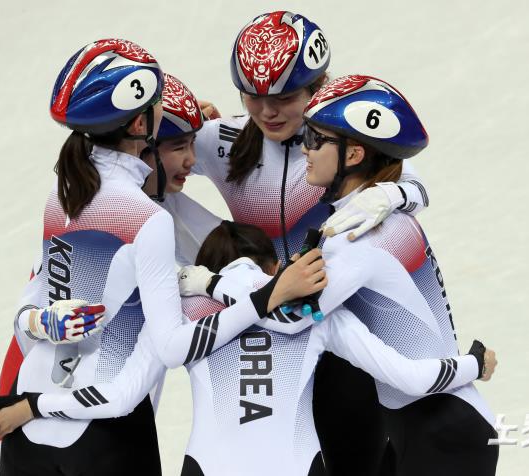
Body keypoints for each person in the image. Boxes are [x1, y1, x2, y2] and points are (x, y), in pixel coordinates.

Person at [0, 41, 327, 476]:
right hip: (99, 420)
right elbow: (171, 344)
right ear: (142, 128)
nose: (192, 157)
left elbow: (31, 318)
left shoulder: (64, 195)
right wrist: (271, 292)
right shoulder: (147, 219)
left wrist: (37, 337)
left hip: (32, 416)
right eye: (178, 142)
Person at [173, 11, 433, 475]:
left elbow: (413, 182)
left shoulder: (348, 140)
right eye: (252, 97)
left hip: (341, 335)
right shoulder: (222, 141)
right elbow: (143, 158)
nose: (268, 111)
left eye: (285, 97)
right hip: (272, 333)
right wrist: (177, 119)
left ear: (319, 87)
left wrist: (393, 193)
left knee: (359, 462)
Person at [177, 221, 495, 476]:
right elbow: (411, 378)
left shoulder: (183, 308)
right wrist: (474, 364)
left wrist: (203, 285)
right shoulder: (316, 314)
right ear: (275, 268)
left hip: (206, 466)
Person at [299, 74, 499, 475]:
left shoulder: (355, 236)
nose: (304, 148)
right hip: (435, 423)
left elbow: (291, 317)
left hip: (440, 432)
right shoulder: (385, 210)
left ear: (353, 155)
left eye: (314, 139)